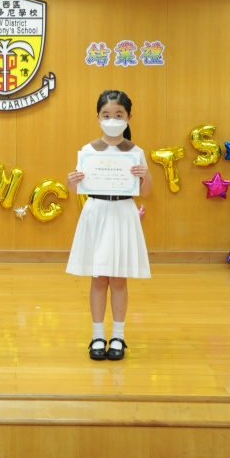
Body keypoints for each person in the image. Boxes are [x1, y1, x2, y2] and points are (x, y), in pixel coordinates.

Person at [66, 90, 152, 361]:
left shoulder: (135, 152)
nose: (112, 120)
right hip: (97, 212)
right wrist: (71, 181)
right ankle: (97, 336)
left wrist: (146, 176)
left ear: (128, 117)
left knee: (118, 278)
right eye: (106, 115)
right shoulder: (88, 151)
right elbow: (77, 187)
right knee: (99, 277)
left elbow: (146, 192)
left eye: (118, 114)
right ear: (98, 117)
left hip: (123, 212)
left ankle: (118, 336)